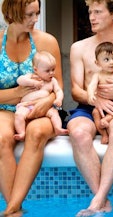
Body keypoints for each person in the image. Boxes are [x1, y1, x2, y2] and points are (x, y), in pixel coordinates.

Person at [66, 0, 113, 215]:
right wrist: (96, 101)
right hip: (88, 107)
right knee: (78, 132)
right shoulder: (79, 48)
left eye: (98, 12)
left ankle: (97, 200)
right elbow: (76, 90)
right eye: (90, 12)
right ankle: (101, 198)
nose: (92, 17)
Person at [0, 0, 63, 215]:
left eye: (37, 13)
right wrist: (17, 94)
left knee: (36, 133)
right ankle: (15, 209)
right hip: (6, 109)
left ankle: (11, 208)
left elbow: (58, 87)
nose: (35, 20)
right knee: (1, 139)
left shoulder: (47, 42)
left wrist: (47, 102)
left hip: (43, 107)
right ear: (12, 12)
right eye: (29, 15)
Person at [14, 51, 68, 141]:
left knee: (54, 113)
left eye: (53, 69)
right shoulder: (31, 77)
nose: (51, 73)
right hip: (27, 106)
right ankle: (21, 132)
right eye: (47, 71)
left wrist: (59, 99)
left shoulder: (52, 81)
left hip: (45, 108)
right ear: (36, 70)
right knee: (19, 115)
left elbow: (58, 90)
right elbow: (20, 80)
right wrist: (33, 83)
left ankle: (58, 128)